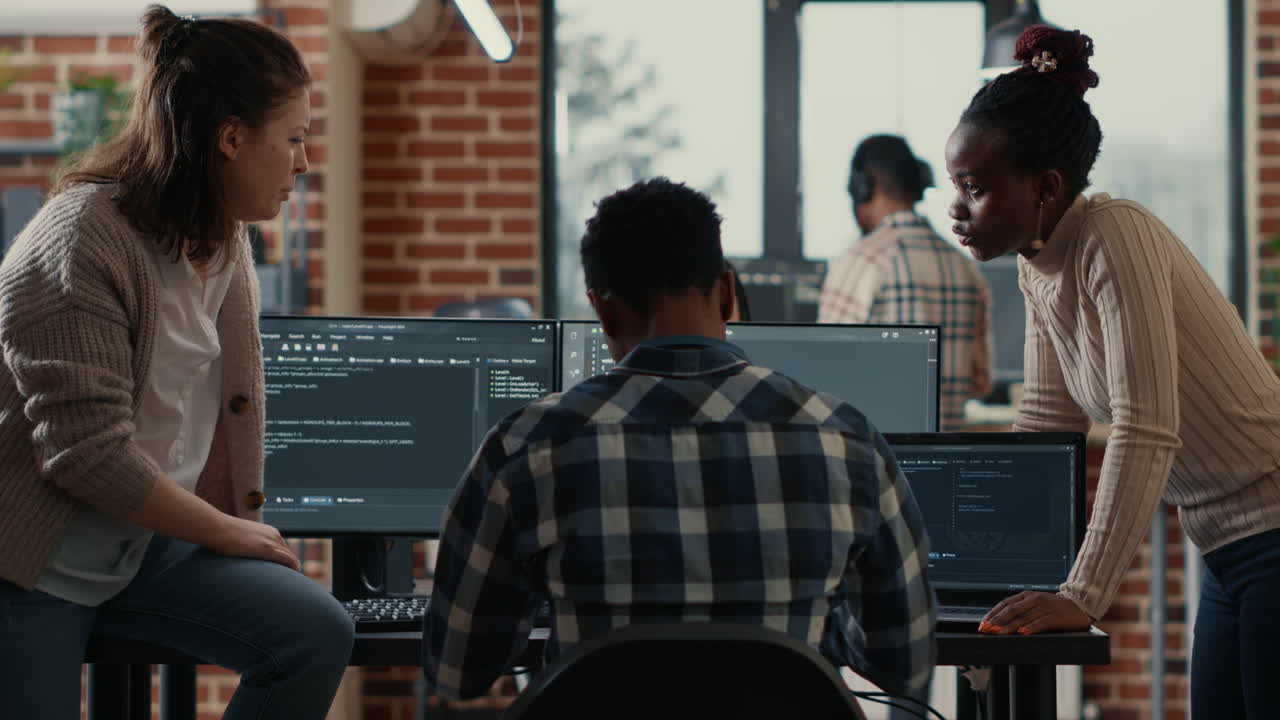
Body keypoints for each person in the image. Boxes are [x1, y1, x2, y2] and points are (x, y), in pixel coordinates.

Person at [423, 177, 936, 701]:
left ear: (603, 308)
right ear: (729, 291)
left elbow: (457, 669)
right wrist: (812, 621)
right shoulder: (848, 441)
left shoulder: (525, 449)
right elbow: (905, 662)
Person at [0, 6, 354, 718]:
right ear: (231, 138)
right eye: (293, 139)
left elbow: (229, 406)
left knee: (316, 632)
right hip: (35, 564)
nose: (305, 162)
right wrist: (228, 532)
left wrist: (228, 527)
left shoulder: (223, 241)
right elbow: (88, 454)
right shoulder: (79, 241)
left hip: (144, 549)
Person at [945, 24, 1280, 718]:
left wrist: (1081, 595)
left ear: (1046, 187)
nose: (957, 208)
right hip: (1225, 543)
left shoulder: (1113, 236)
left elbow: (1147, 423)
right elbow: (1047, 421)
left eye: (974, 188)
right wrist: (990, 567)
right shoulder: (1039, 264)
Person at [819, 134, 993, 431]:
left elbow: (825, 382)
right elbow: (980, 382)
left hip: (876, 465)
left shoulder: (861, 262)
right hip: (945, 462)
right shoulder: (965, 269)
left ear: (863, 189)